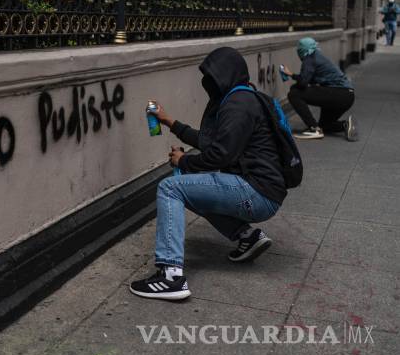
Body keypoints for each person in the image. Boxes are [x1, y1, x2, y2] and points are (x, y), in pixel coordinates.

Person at [129, 47, 286, 301]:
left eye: (212, 77)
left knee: (170, 187)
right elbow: (212, 142)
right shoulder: (244, 97)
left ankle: (170, 275)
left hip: (256, 192)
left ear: (224, 74)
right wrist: (169, 122)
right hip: (262, 191)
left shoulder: (238, 105)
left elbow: (219, 155)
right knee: (189, 189)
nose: (208, 83)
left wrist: (184, 161)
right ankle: (248, 236)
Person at [283, 37, 357, 141]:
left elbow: (303, 83)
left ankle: (314, 129)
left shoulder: (309, 59)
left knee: (294, 94)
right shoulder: (317, 56)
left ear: (302, 50)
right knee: (325, 125)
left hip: (339, 93)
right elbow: (308, 81)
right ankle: (345, 125)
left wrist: (291, 74)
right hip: (347, 96)